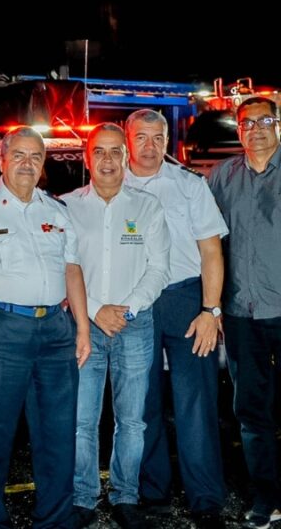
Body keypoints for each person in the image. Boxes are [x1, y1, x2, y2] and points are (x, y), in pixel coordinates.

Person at [0, 127, 91, 529]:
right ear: (2, 160)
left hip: (56, 330)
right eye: (18, 155)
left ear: (43, 164)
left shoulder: (55, 210)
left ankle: (56, 519)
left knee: (58, 431)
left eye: (35, 157)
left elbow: (72, 269)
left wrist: (82, 328)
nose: (26, 163)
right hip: (3, 328)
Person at [123, 109, 228, 529]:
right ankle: (153, 493)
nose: (150, 145)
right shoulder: (110, 184)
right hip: (136, 303)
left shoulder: (189, 185)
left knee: (196, 404)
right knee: (141, 403)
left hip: (186, 299)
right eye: (142, 137)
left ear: (168, 139)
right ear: (128, 140)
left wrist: (210, 310)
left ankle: (206, 499)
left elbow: (211, 253)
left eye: (158, 137)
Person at [63, 123, 170, 529]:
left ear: (125, 157)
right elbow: (64, 270)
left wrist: (126, 309)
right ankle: (82, 497)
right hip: (84, 329)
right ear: (87, 158)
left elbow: (159, 269)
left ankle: (126, 495)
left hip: (135, 326)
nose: (107, 160)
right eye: (99, 152)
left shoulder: (147, 208)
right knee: (82, 419)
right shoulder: (68, 207)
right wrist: (92, 313)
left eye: (114, 152)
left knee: (133, 420)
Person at [208, 96, 281, 529]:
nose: (256, 128)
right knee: (252, 413)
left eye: (265, 120)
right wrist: (211, 304)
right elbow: (207, 243)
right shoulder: (222, 177)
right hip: (240, 314)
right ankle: (266, 498)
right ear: (238, 131)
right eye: (246, 122)